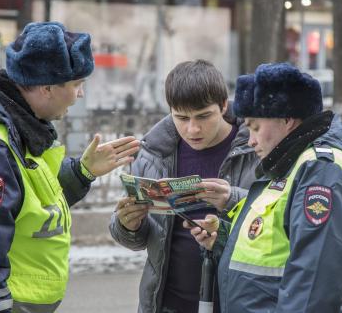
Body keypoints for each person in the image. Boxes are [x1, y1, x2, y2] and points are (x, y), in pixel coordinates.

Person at [0, 22, 140, 313]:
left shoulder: (17, 122)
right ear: (48, 88)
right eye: (77, 84)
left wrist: (81, 172)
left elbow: (30, 204)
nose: (80, 95)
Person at [189, 63, 342, 313]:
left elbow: (313, 289)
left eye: (255, 127)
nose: (251, 140)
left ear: (287, 120)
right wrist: (223, 238)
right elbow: (273, 247)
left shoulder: (322, 173)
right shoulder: (290, 164)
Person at [109, 59, 259, 313]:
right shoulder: (153, 153)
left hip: (237, 300)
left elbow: (278, 218)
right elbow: (139, 239)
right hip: (168, 303)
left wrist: (232, 199)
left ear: (223, 106)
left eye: (203, 116)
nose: (192, 129)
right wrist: (128, 224)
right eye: (181, 117)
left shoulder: (255, 148)